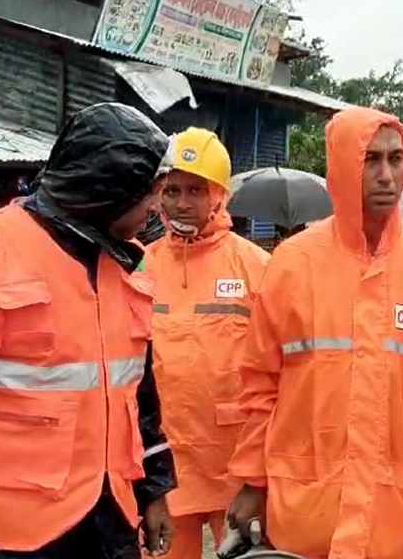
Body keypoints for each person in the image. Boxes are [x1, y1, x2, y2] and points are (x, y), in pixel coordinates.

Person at [0, 103, 177, 559]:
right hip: (10, 538)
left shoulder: (126, 265)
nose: (156, 208)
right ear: (108, 191)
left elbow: (137, 393)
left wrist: (155, 488)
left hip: (109, 522)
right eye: (153, 193)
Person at [225, 106, 403, 558]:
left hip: (396, 510)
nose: (387, 175)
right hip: (309, 509)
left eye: (395, 158)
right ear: (342, 166)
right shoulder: (293, 263)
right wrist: (252, 480)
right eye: (370, 160)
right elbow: (260, 384)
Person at [143, 128, 270, 559]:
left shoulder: (257, 267)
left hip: (234, 468)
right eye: (172, 189)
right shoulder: (139, 266)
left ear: (219, 195)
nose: (181, 202)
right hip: (163, 467)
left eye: (196, 190)